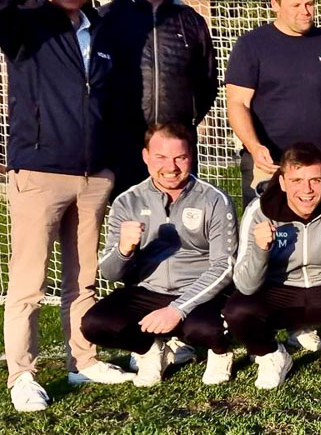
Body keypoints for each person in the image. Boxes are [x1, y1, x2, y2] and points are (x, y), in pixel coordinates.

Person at [0, 0, 133, 412]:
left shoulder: (101, 31)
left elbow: (112, 102)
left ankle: (82, 361)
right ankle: (21, 375)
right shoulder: (24, 24)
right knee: (29, 283)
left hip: (93, 178)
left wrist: (110, 166)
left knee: (83, 279)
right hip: (39, 173)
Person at [82, 123, 237, 387]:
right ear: (145, 156)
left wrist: (177, 309)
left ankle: (220, 352)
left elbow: (224, 266)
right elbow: (110, 273)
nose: (171, 167)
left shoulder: (214, 199)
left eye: (180, 157)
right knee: (95, 324)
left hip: (200, 291)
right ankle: (151, 350)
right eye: (161, 157)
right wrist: (123, 249)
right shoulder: (127, 201)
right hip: (149, 290)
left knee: (203, 329)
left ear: (192, 156)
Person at [224, 143, 321, 389]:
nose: (307, 190)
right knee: (236, 311)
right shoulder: (259, 211)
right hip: (279, 288)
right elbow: (245, 286)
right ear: (283, 182)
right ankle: (272, 354)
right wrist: (260, 250)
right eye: (297, 180)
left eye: (315, 180)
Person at [102, 0, 218, 196]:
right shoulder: (107, 18)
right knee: (127, 218)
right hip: (121, 147)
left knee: (177, 217)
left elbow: (207, 83)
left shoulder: (192, 22)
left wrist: (181, 124)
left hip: (174, 150)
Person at [225, 0, 321, 206]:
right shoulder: (251, 45)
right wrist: (254, 147)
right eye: (295, 5)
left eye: (309, 3)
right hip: (269, 164)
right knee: (266, 228)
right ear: (275, 4)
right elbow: (237, 103)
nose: (305, 11)